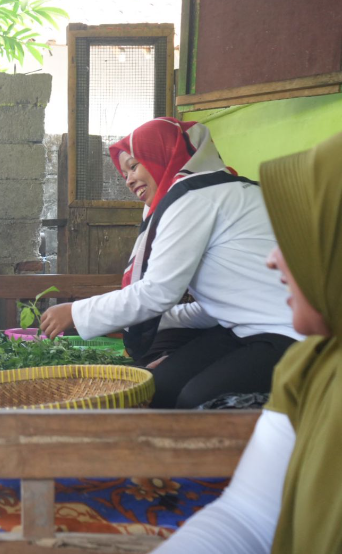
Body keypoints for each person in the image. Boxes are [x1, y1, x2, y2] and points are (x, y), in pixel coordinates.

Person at [151, 131, 342, 553]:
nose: (273, 258)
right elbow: (247, 516)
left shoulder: (198, 201)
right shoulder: (312, 367)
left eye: (298, 238)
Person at [40, 118, 300, 408]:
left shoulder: (194, 197)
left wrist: (76, 312)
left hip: (289, 331)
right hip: (242, 329)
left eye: (134, 165)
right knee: (160, 385)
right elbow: (225, 303)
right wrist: (129, 321)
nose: (128, 179)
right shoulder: (219, 189)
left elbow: (157, 292)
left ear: (163, 156)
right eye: (124, 172)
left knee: (198, 400)